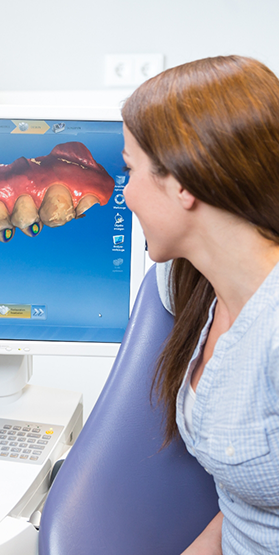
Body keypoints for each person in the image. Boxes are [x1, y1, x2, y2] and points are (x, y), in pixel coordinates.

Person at [121, 55, 279, 554]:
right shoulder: (190, 283)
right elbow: (243, 512)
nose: (125, 195)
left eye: (131, 171)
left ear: (183, 183)